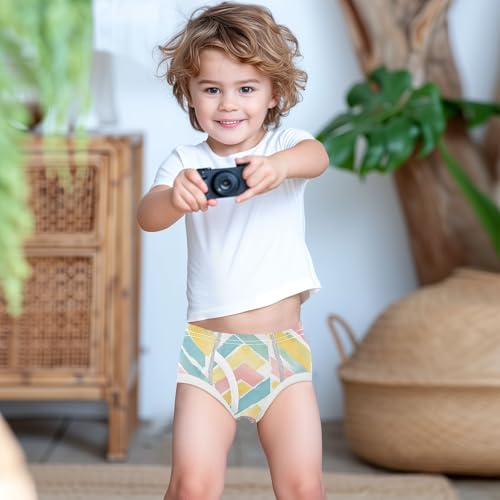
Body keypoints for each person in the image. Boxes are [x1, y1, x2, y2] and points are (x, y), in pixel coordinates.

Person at [137, 2, 329, 499]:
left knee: (303, 487)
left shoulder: (285, 146)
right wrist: (173, 198)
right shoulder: (185, 162)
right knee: (191, 486)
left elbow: (317, 157)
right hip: (209, 354)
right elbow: (148, 216)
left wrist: (279, 168)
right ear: (189, 93)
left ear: (274, 93)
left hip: (283, 353)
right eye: (211, 89)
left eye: (246, 89)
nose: (228, 105)